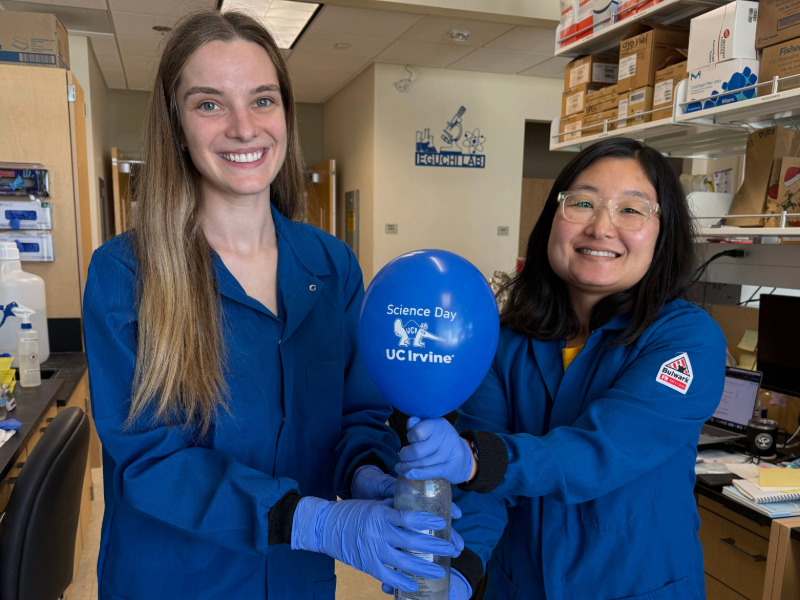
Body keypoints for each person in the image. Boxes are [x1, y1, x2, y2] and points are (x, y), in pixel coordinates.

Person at [82, 10, 460, 600]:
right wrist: (313, 520)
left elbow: (356, 417)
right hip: (177, 577)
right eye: (209, 104)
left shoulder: (331, 266)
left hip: (295, 578)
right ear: (176, 124)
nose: (243, 127)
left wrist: (369, 477)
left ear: (285, 114)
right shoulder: (126, 273)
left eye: (262, 100)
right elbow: (150, 460)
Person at [390, 138, 727, 599]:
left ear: (662, 233)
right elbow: (485, 487)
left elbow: (599, 452)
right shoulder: (506, 340)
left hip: (637, 586)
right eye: (582, 203)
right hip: (519, 586)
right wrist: (463, 568)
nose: (602, 227)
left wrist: (475, 458)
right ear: (553, 218)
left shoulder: (686, 341)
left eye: (632, 210)